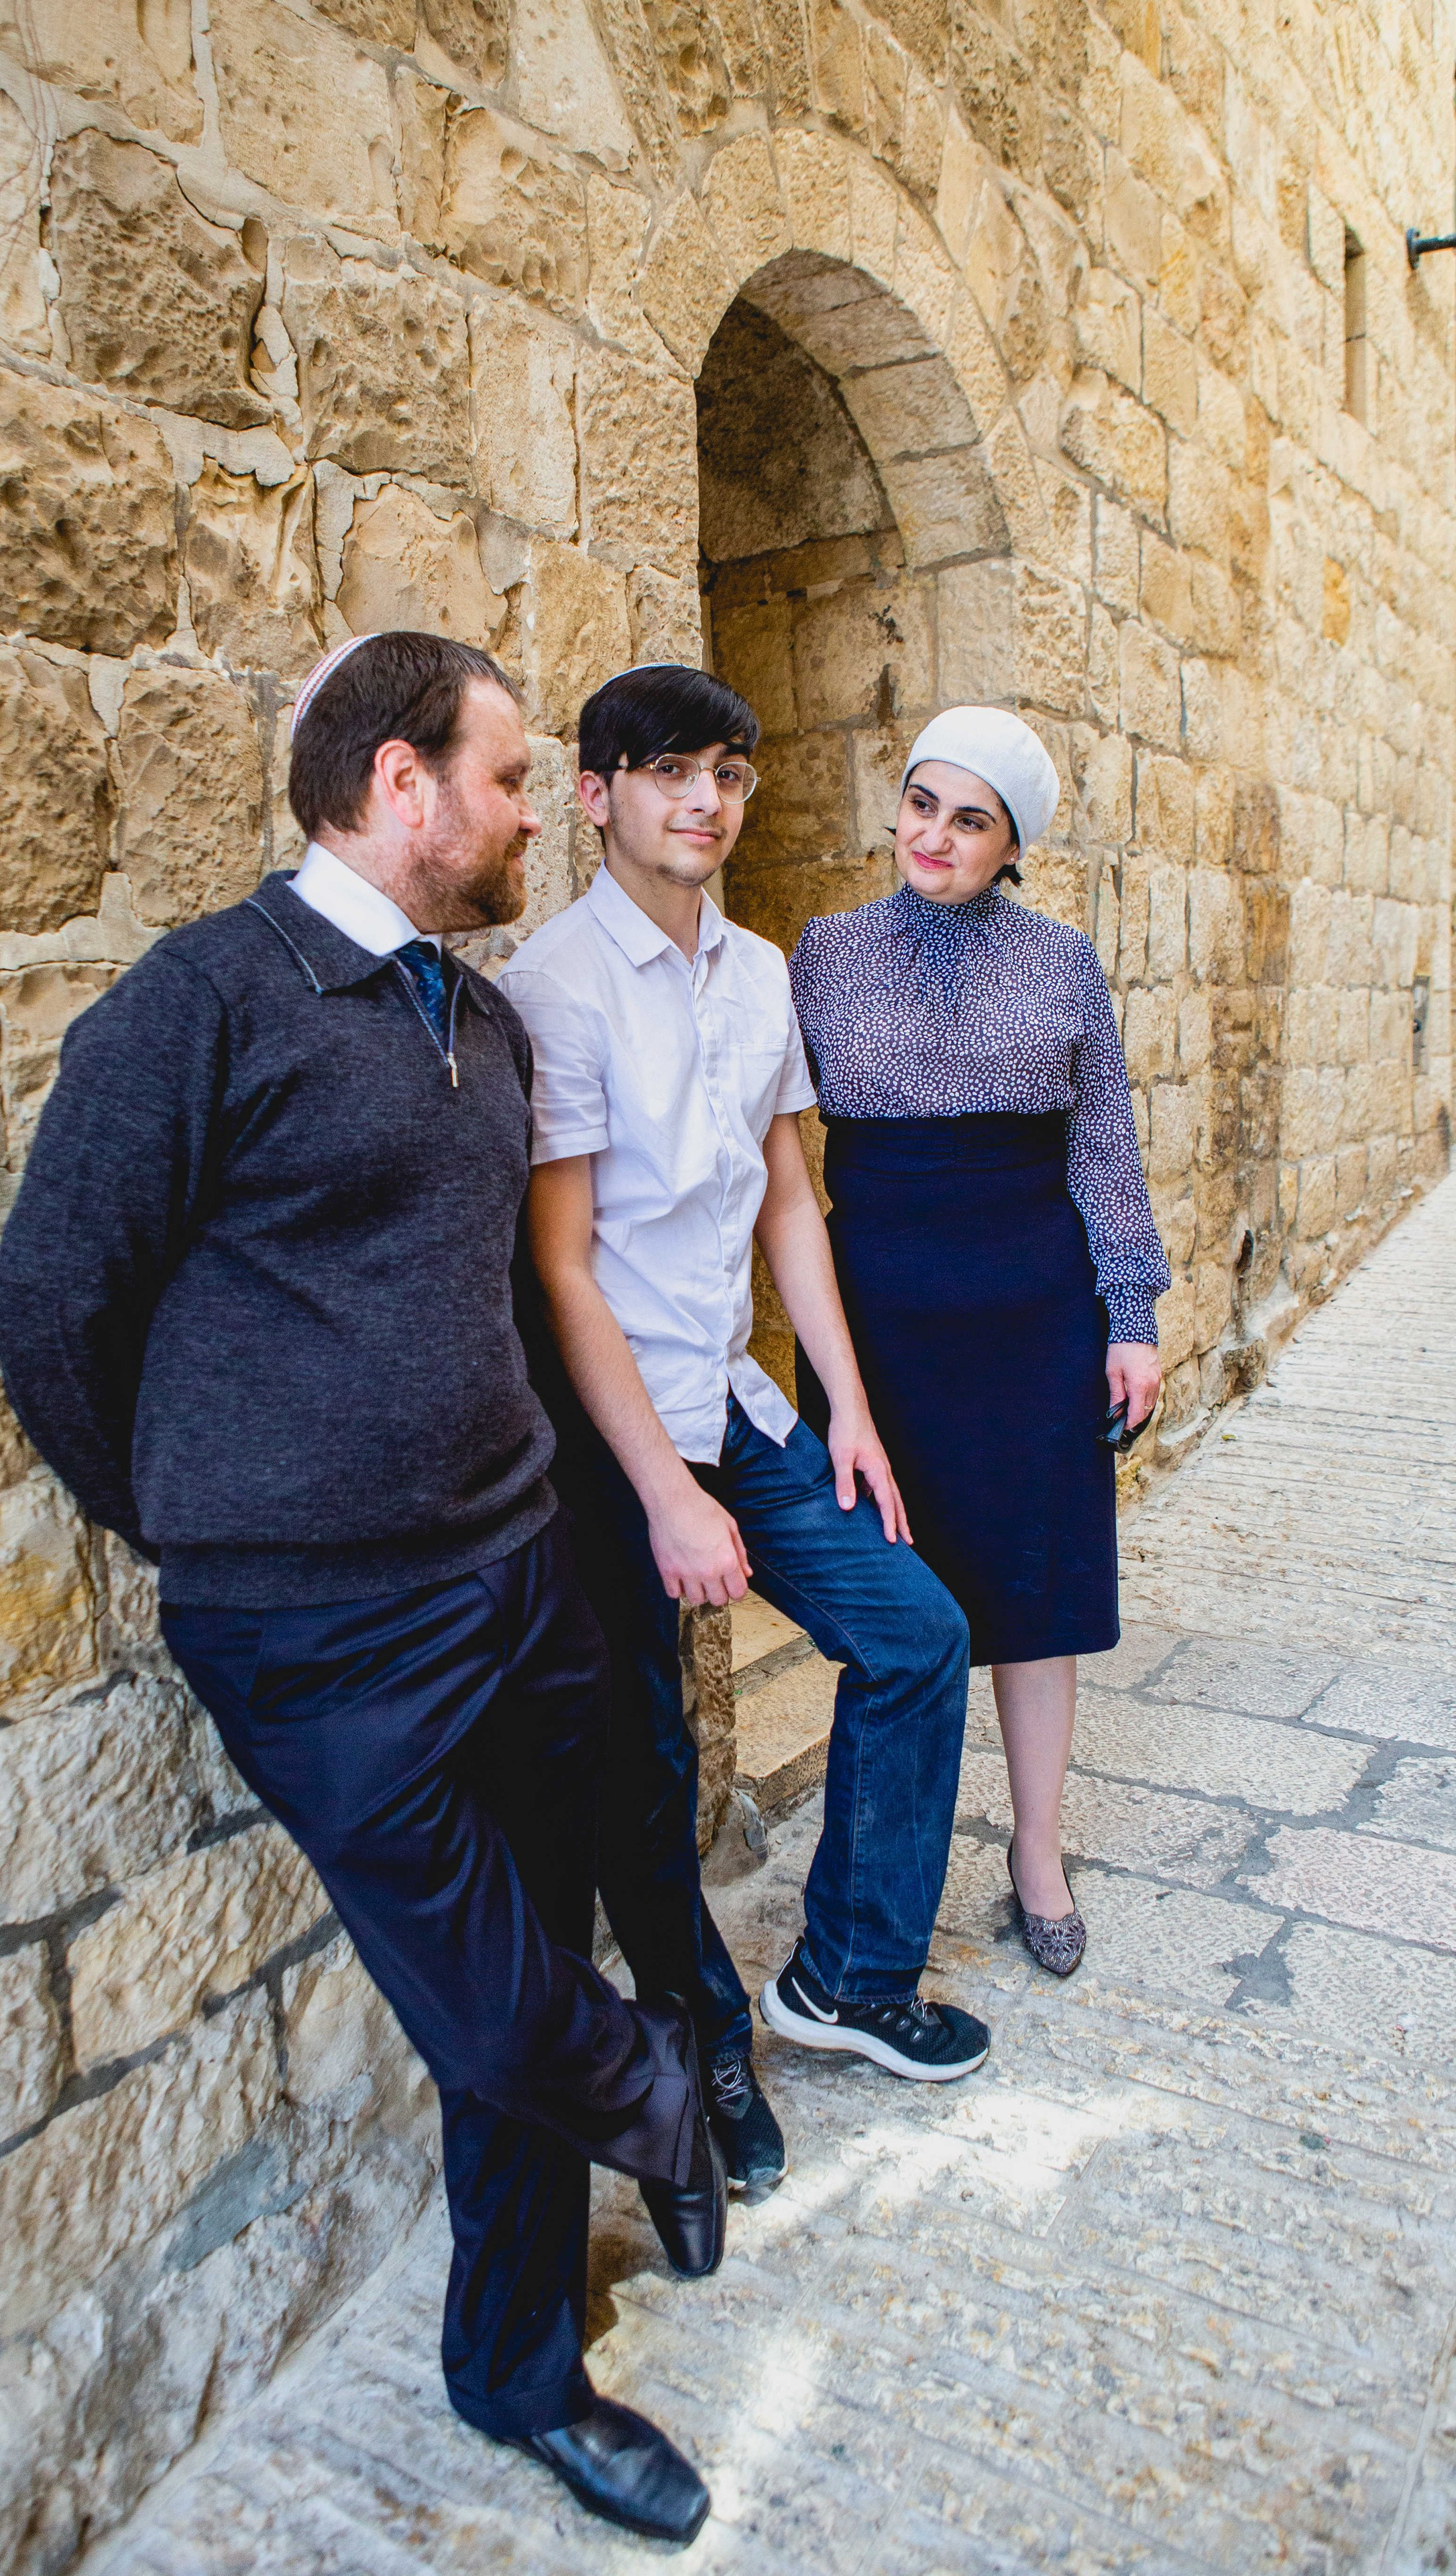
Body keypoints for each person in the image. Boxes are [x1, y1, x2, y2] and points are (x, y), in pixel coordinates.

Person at [0, 631, 728, 2550]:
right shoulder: (204, 1001)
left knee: (523, 1973)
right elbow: (55, 1310)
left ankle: (520, 2372)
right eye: (498, 782)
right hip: (312, 1628)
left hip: (515, 1573)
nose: (513, 822)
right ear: (400, 785)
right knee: (501, 1994)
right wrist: (210, 1526)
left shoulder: (485, 1029)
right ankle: (663, 2084)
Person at [498, 663, 990, 2137]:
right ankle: (700, 2044)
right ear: (594, 798)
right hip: (612, 1437)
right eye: (663, 771)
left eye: (723, 771)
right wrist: (663, 1494)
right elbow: (564, 1269)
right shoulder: (554, 990)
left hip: (734, 1402)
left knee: (915, 1634)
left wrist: (842, 1406)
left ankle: (841, 1978)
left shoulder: (761, 971)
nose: (701, 799)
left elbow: (789, 1201)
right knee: (650, 1769)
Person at [787, 705, 1170, 1979]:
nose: (934, 835)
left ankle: (1038, 1854)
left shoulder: (1063, 964)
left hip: (1031, 1314)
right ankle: (894, 1868)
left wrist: (1133, 1321)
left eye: (970, 819)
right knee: (902, 1598)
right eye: (921, 804)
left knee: (1035, 1596)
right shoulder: (824, 953)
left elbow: (1104, 1153)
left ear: (1013, 846)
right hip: (881, 1320)